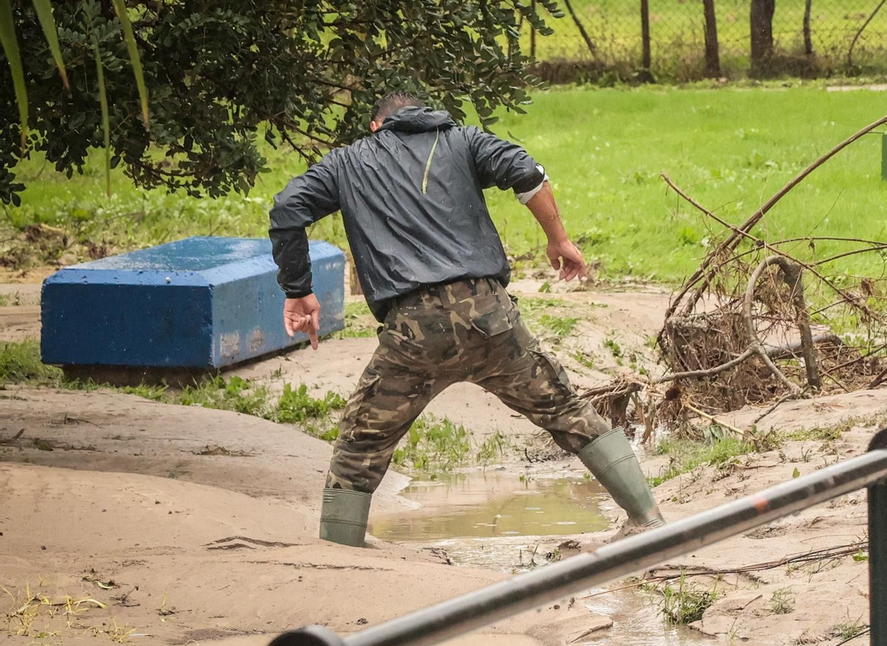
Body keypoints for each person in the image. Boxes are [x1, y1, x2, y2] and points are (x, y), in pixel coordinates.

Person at [269, 91, 664, 546]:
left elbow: (287, 209)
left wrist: (299, 291)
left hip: (412, 328)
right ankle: (645, 517)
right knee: (564, 408)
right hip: (490, 315)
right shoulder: (464, 139)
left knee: (361, 443)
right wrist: (559, 240)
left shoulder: (347, 162)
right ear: (428, 115)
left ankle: (341, 552)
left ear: (376, 126)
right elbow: (528, 174)